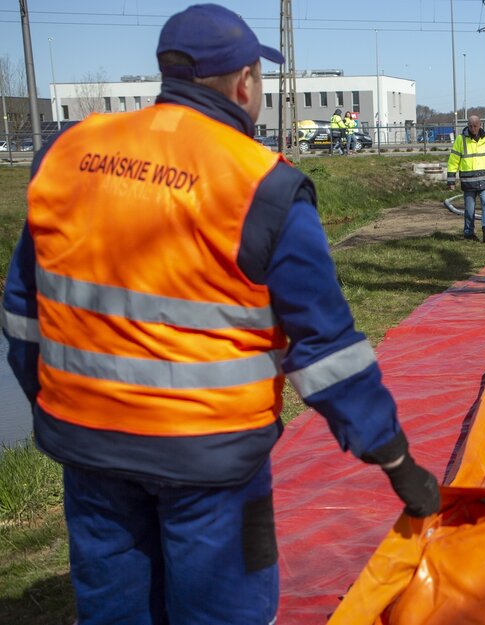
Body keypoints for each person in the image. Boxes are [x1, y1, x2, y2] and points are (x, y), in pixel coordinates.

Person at [0, 5, 441, 624]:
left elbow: (23, 312)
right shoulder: (262, 185)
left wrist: (55, 404)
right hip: (214, 470)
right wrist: (395, 459)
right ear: (244, 83)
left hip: (91, 448)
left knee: (115, 613)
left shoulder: (70, 154)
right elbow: (327, 351)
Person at [447, 115, 485, 242]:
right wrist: (451, 180)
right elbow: (453, 161)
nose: (473, 129)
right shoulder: (460, 140)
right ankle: (468, 232)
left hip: (484, 180)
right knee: (469, 209)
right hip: (468, 182)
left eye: (475, 126)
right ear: (468, 125)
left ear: (480, 125)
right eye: (471, 126)